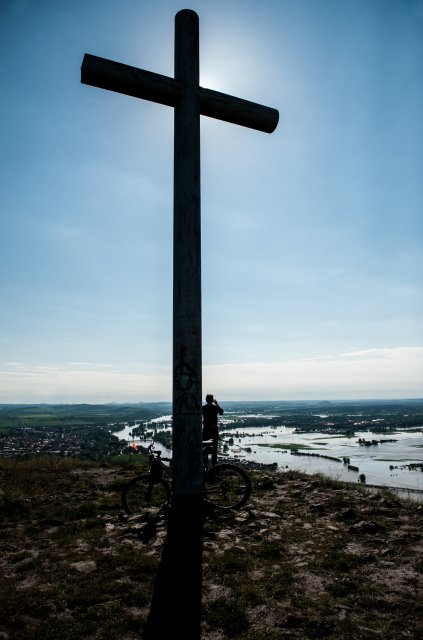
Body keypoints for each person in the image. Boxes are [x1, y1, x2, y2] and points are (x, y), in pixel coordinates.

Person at [202, 394, 224, 467]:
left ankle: (205, 464)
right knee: (214, 447)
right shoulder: (215, 407)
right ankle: (214, 466)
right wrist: (217, 404)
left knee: (204, 446)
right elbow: (221, 412)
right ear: (212, 400)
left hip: (206, 429)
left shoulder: (203, 408)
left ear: (206, 400)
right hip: (214, 428)